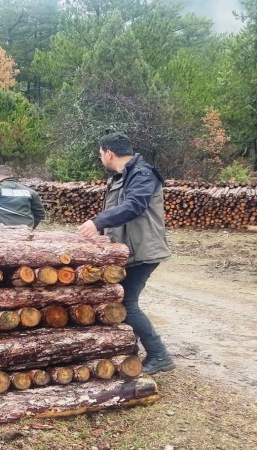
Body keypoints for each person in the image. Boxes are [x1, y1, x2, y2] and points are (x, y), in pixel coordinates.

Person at [77, 132, 174, 375]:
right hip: (125, 251)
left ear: (109, 153)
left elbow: (133, 206)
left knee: (126, 302)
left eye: (101, 154)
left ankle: (159, 355)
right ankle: (128, 349)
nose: (101, 159)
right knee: (116, 300)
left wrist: (97, 222)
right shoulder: (121, 176)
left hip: (143, 251)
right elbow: (119, 212)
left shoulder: (143, 174)